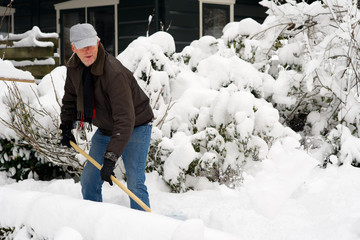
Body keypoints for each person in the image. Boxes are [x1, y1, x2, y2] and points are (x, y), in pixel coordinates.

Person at [59, 23, 154, 211]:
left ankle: (145, 228)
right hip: (107, 128)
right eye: (82, 46)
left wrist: (111, 157)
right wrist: (65, 127)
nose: (88, 51)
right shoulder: (74, 69)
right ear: (73, 48)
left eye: (91, 45)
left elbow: (126, 119)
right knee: (88, 181)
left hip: (136, 125)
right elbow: (70, 100)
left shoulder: (113, 73)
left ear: (97, 42)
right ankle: (95, 222)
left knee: (135, 183)